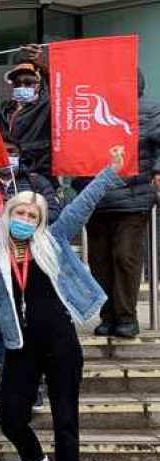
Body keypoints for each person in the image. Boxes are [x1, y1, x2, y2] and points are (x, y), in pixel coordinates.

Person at [0, 147, 127, 461]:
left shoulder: (53, 242)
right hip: (19, 346)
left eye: (32, 215)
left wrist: (110, 172)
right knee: (11, 417)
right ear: (8, 215)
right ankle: (33, 459)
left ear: (40, 220)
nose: (25, 219)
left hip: (60, 344)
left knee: (65, 419)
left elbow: (81, 207)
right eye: (20, 213)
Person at [0, 137, 61, 408]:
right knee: (2, 314)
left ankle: (34, 385)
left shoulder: (35, 183)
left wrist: (30, 220)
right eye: (1, 152)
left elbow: (61, 213)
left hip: (31, 257)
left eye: (11, 152)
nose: (6, 157)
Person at [85, 70, 160, 339]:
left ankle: (127, 317)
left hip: (133, 197)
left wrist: (157, 173)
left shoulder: (151, 109)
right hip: (96, 197)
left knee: (125, 258)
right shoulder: (91, 106)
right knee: (100, 263)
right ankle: (108, 316)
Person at [0, 45, 52, 178]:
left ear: (38, 84)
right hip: (5, 173)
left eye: (28, 83)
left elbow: (59, 89)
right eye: (17, 83)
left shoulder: (47, 106)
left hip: (37, 175)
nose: (22, 86)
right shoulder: (1, 108)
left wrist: (46, 69)